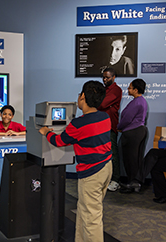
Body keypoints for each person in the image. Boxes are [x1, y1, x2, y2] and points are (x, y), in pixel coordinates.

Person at [39, 80, 112, 242]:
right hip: (106, 167)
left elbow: (59, 141)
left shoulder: (78, 124)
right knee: (85, 209)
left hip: (91, 173)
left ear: (83, 97)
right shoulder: (105, 117)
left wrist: (45, 132)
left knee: (91, 215)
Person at [117, 79, 148, 193]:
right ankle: (136, 183)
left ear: (136, 90)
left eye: (130, 88)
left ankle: (132, 184)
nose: (128, 89)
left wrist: (119, 127)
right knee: (136, 159)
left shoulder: (136, 102)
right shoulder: (142, 101)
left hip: (132, 133)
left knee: (130, 159)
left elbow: (127, 119)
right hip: (139, 131)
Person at [97, 67, 123, 192]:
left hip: (110, 125)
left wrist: (97, 101)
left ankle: (116, 179)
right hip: (100, 125)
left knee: (113, 152)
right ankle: (106, 178)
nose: (105, 79)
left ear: (113, 77)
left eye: (107, 77)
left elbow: (101, 104)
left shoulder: (116, 90)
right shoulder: (104, 90)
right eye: (103, 77)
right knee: (102, 152)